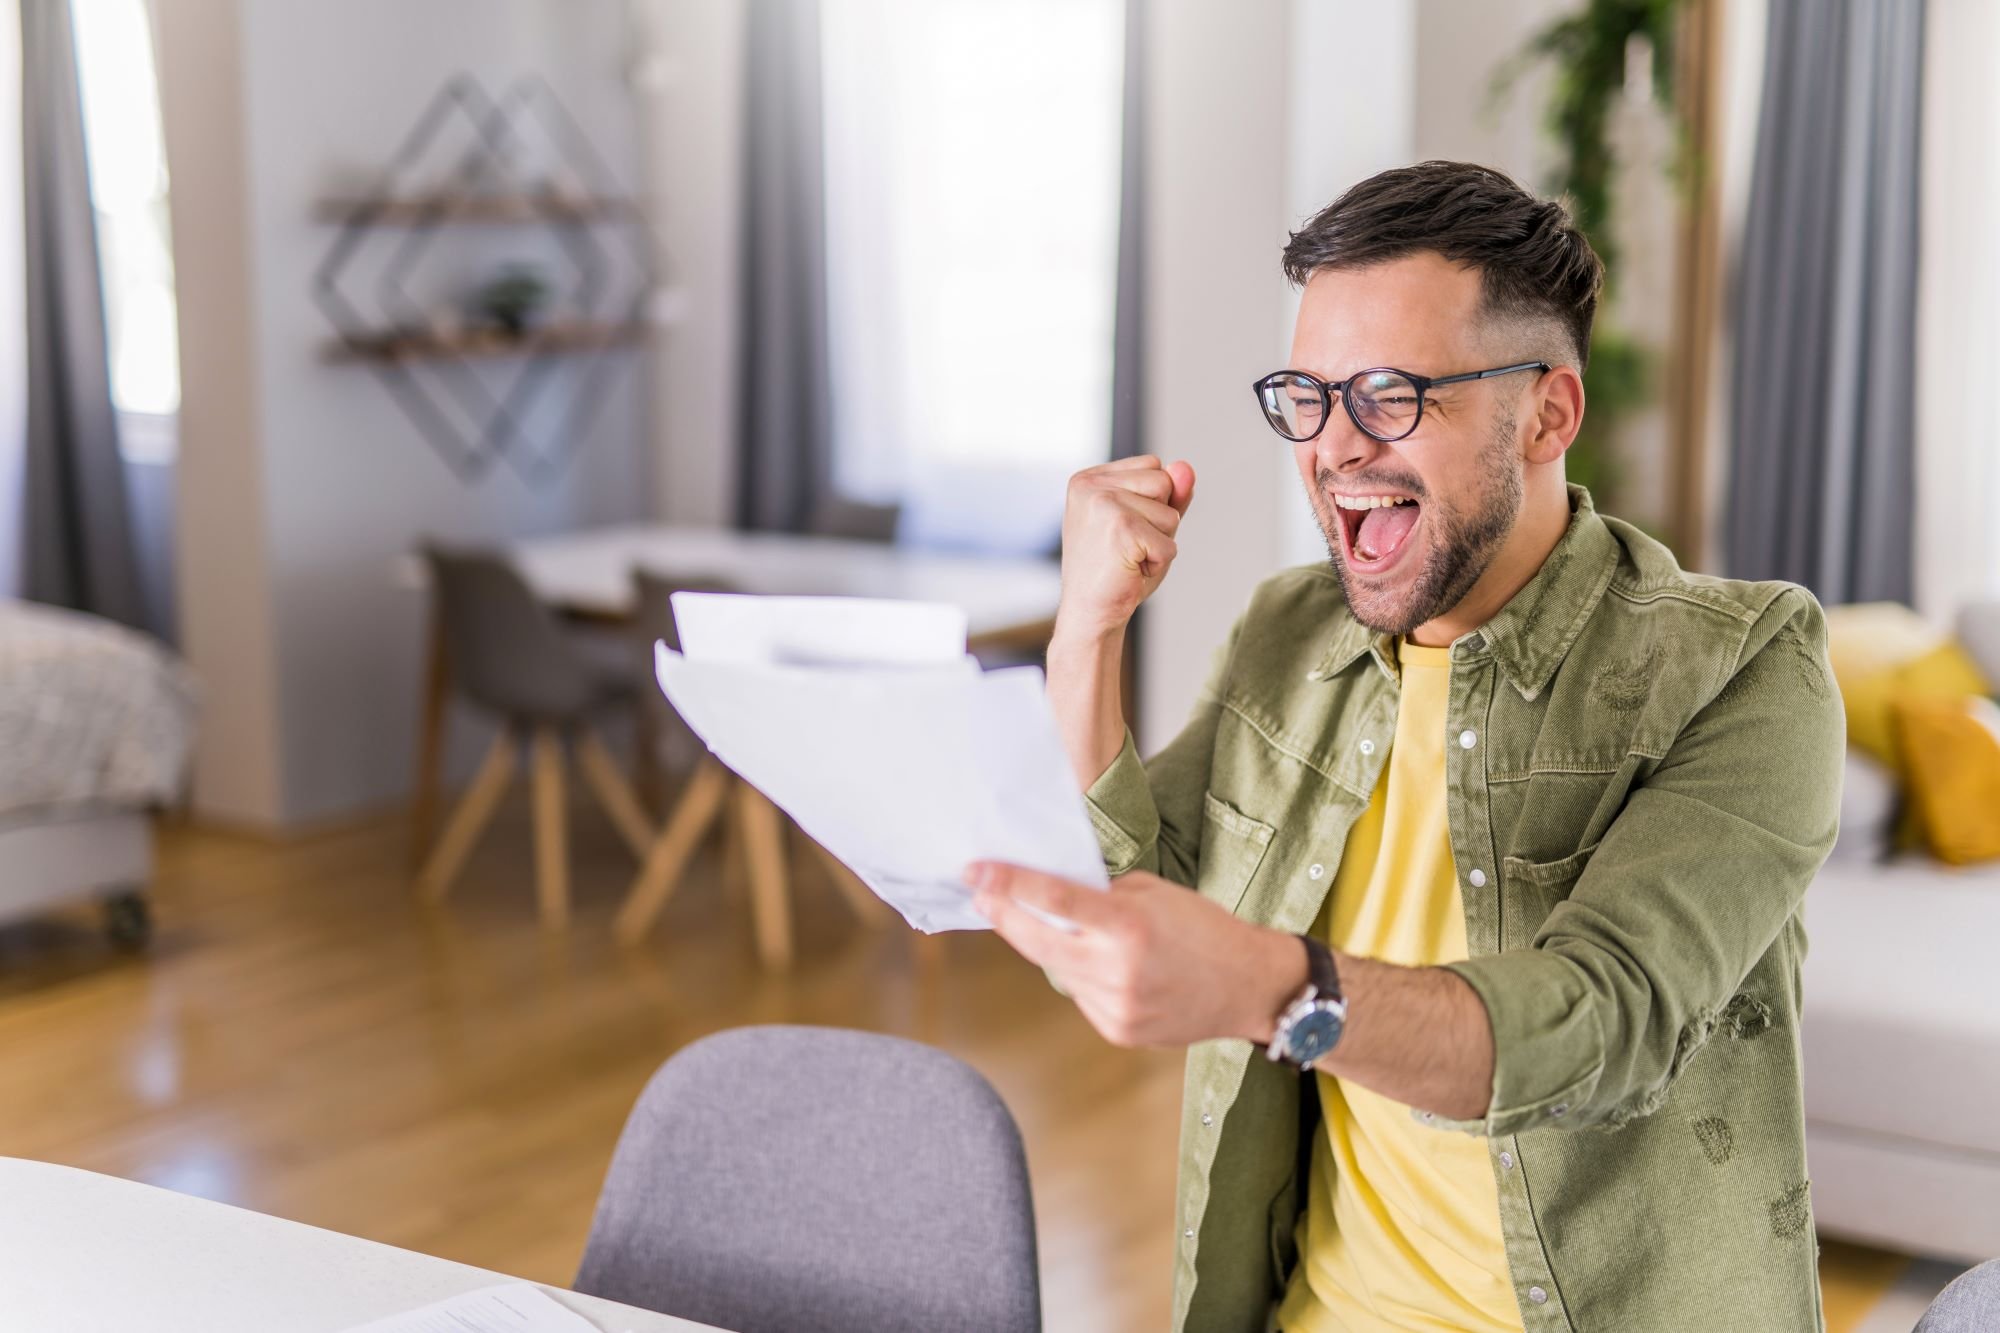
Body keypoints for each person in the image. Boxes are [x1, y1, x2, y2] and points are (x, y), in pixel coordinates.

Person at [964, 161, 1846, 1333]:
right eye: (1307, 395)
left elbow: (1603, 1022)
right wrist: (1086, 630)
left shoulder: (1742, 666)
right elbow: (1128, 896)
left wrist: (1276, 988)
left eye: (1389, 393)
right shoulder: (1291, 630)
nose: (1333, 447)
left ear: (1546, 412)